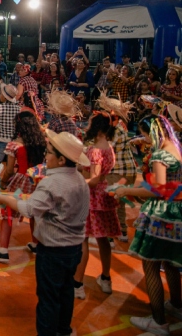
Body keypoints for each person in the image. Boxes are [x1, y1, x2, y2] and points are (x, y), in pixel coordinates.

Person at [0, 130, 90, 336]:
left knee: (48, 297)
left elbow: (28, 210)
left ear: (61, 160)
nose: (46, 156)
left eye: (50, 152)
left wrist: (3, 198)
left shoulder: (51, 183)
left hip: (53, 251)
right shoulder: (79, 179)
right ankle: (64, 330)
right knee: (65, 291)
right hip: (73, 248)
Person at [114, 115, 182, 335]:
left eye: (145, 134)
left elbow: (158, 189)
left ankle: (158, 320)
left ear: (152, 132)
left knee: (151, 264)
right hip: (176, 211)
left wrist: (127, 191)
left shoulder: (160, 154)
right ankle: (176, 304)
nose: (144, 138)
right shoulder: (177, 149)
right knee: (170, 261)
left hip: (161, 213)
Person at [0, 111, 46, 262]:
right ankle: (36, 244)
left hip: (20, 181)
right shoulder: (42, 141)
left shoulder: (14, 144)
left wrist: (3, 183)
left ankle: (3, 251)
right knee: (35, 213)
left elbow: (10, 170)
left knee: (7, 214)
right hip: (38, 181)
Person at [72, 112, 118, 300]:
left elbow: (94, 179)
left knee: (83, 240)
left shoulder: (95, 150)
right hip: (104, 196)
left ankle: (77, 283)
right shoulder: (109, 148)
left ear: (97, 127)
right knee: (103, 239)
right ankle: (106, 278)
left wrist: (77, 180)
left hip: (92, 198)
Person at [99, 96, 139, 242]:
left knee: (109, 201)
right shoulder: (119, 125)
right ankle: (121, 231)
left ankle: (111, 234)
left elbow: (108, 149)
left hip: (119, 171)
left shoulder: (116, 128)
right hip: (127, 169)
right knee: (118, 201)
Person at [0, 84, 21, 192]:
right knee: (11, 167)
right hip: (14, 142)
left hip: (2, 141)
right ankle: (7, 184)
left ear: (4, 97)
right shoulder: (18, 108)